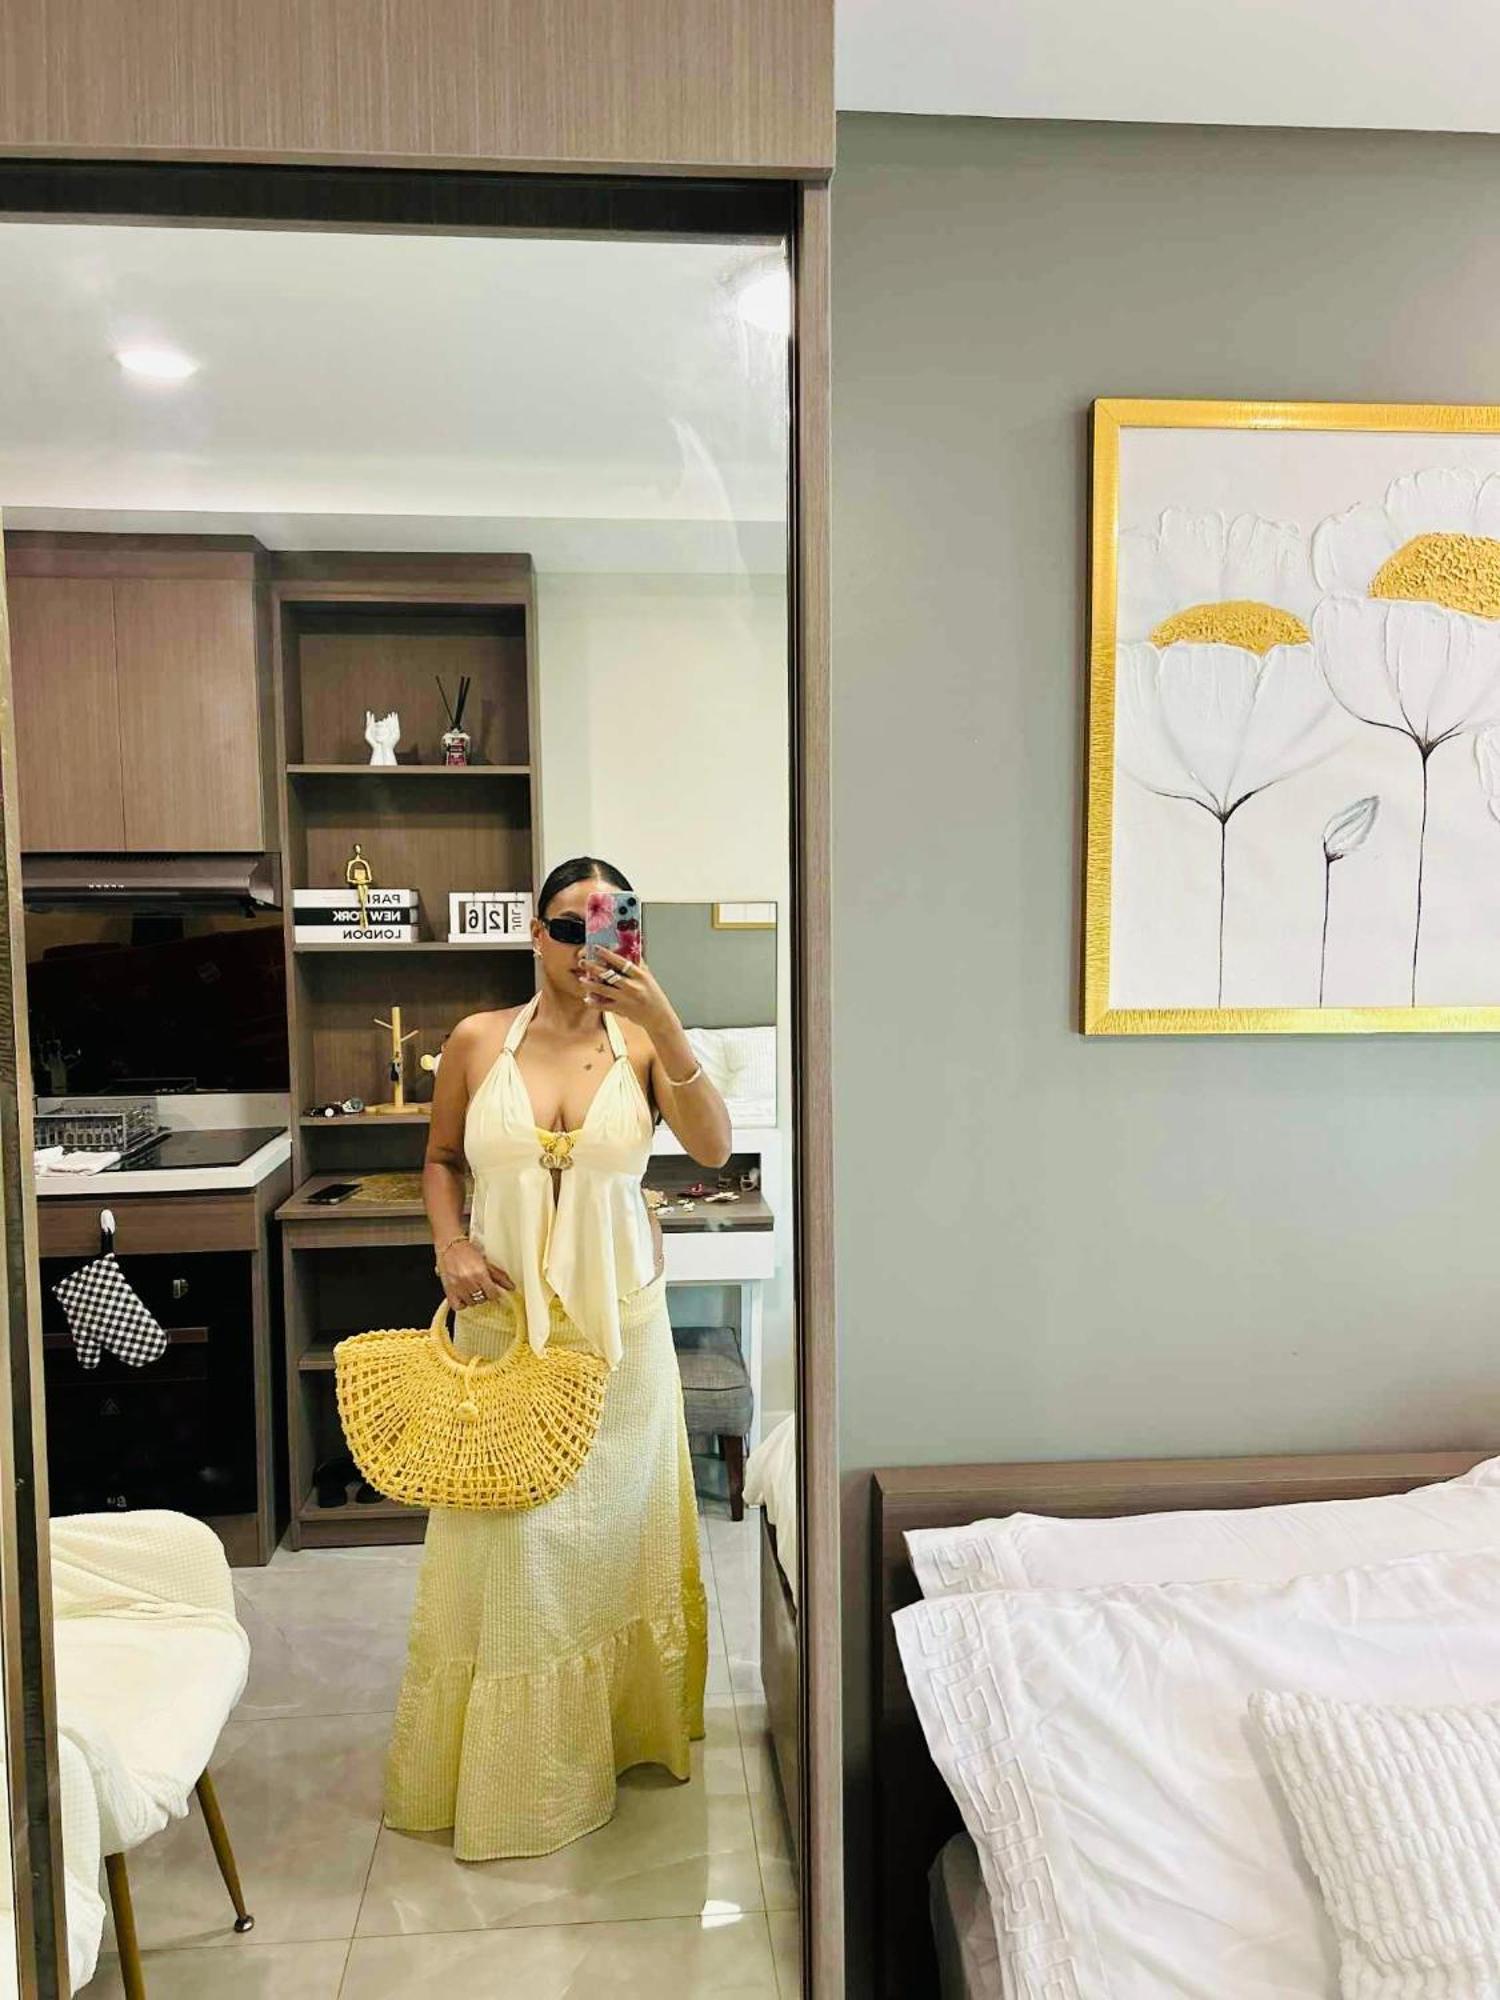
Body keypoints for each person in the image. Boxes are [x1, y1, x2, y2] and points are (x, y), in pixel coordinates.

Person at [384, 856, 732, 1859]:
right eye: (567, 927)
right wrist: (449, 1244)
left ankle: (620, 1740)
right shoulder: (475, 1040)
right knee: (514, 1556)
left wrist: (665, 1021)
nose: (587, 948)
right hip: (503, 1336)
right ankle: (517, 1778)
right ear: (536, 934)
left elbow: (711, 1148)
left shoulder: (647, 1043)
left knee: (619, 1544)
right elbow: (440, 1159)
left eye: (608, 925)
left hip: (621, 1342)